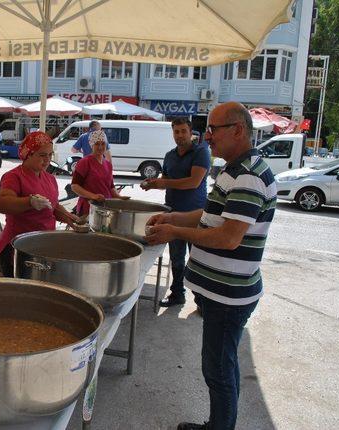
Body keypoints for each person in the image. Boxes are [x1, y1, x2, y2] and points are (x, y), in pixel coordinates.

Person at [145, 102, 277, 430]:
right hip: (222, 293)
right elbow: (210, 215)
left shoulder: (247, 175)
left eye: (214, 129)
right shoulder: (235, 169)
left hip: (229, 296)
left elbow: (228, 237)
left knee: (218, 371)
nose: (208, 136)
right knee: (222, 366)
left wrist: (174, 231)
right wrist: (173, 216)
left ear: (238, 130)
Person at [140, 117, 210, 307]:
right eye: (176, 131)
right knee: (177, 259)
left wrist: (164, 182)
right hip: (172, 215)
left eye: (183, 131)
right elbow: (166, 180)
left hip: (196, 215)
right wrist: (153, 184)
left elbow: (193, 182)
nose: (179, 135)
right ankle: (177, 294)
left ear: (191, 132)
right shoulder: (170, 155)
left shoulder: (201, 151)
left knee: (198, 259)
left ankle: (202, 300)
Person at [0, 131, 80, 276]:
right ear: (28, 154)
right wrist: (29, 202)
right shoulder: (14, 177)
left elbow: (52, 206)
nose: (47, 160)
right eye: (42, 155)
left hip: (43, 246)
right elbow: (0, 203)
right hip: (17, 248)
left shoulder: (49, 178)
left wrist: (70, 218)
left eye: (50, 155)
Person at [71, 130, 128, 216]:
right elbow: (74, 186)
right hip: (89, 208)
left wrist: (119, 197)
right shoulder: (84, 162)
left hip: (105, 208)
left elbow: (111, 186)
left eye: (103, 144)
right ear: (91, 145)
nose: (100, 147)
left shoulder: (108, 164)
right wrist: (93, 196)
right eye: (97, 144)